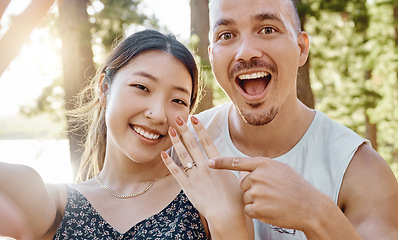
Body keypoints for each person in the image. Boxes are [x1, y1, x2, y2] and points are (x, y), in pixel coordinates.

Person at [173, 0, 398, 239]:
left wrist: (316, 213)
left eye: (268, 29)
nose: (247, 51)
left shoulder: (361, 170)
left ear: (301, 48)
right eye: (226, 35)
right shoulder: (180, 149)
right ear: (212, 55)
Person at [0, 29, 252, 240]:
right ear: (104, 89)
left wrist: (227, 219)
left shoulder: (208, 195)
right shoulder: (56, 204)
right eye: (142, 87)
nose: (157, 114)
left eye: (177, 100)